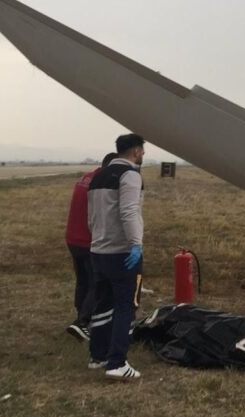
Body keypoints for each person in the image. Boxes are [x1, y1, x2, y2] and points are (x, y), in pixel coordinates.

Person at [87, 133, 146, 380]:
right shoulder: (130, 175)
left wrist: (97, 238)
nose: (143, 154)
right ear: (135, 151)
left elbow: (91, 216)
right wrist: (136, 244)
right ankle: (117, 363)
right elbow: (130, 211)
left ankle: (97, 356)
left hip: (98, 250)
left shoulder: (98, 176)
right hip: (122, 253)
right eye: (142, 150)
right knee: (125, 306)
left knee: (102, 304)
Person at [65, 152, 117, 342]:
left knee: (83, 280)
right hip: (89, 240)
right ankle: (82, 322)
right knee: (98, 282)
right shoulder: (102, 183)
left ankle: (80, 318)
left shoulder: (85, 178)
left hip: (73, 238)